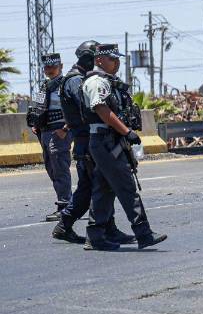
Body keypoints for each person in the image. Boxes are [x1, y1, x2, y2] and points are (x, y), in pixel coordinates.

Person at [80, 43, 167, 251]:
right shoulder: (95, 82)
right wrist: (126, 131)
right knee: (126, 186)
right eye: (112, 59)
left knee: (103, 188)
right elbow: (101, 109)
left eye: (118, 59)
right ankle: (143, 233)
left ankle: (95, 236)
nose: (117, 63)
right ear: (99, 60)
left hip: (111, 141)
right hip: (104, 140)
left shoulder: (110, 82)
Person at [51, 41, 134, 245]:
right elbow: (90, 110)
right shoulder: (76, 81)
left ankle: (105, 228)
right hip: (87, 141)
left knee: (97, 186)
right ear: (90, 58)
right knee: (98, 186)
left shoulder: (78, 79)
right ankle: (78, 226)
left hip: (87, 140)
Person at [27, 53, 71, 221]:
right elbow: (38, 108)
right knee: (51, 168)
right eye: (46, 67)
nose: (49, 70)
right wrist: (35, 124)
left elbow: (75, 110)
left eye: (53, 67)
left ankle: (65, 205)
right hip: (44, 132)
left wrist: (65, 129)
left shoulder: (66, 84)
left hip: (59, 131)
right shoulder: (45, 86)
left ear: (61, 67)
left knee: (60, 167)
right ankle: (69, 200)